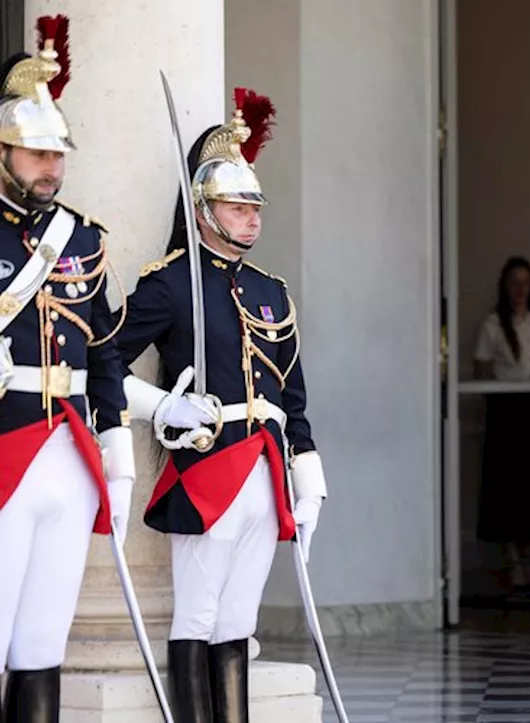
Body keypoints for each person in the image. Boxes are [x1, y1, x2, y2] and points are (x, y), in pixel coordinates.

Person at [113, 88, 328, 723]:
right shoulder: (171, 284)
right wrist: (162, 409)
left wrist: (308, 473)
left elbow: (292, 391)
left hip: (265, 468)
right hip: (207, 466)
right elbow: (105, 361)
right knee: (198, 616)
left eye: (254, 205)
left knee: (238, 621)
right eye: (236, 206)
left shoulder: (270, 291)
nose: (251, 217)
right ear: (204, 210)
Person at [0, 17, 137, 720]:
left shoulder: (81, 237)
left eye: (58, 154)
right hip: (3, 452)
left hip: (70, 453)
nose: (51, 168)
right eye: (35, 154)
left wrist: (117, 455)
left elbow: (107, 351)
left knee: (41, 644)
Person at [472, 256, 530, 593]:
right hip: (506, 411)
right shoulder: (493, 325)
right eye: (514, 283)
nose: (520, 290)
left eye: (525, 282)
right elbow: (480, 368)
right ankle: (511, 561)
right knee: (506, 488)